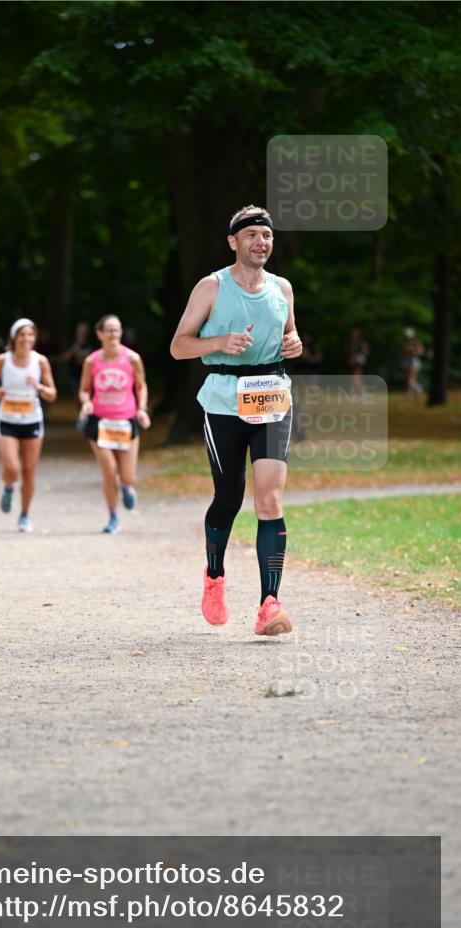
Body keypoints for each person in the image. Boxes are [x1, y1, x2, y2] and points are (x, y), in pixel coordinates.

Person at [170, 205, 302, 636]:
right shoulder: (212, 287)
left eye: (267, 235)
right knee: (228, 497)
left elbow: (289, 333)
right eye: (251, 235)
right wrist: (219, 342)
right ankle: (214, 576)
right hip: (224, 401)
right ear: (233, 242)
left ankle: (269, 604)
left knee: (270, 499)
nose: (260, 242)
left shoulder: (282, 288)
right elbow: (178, 346)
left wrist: (294, 343)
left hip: (271, 398)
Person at [78, 314, 151, 534]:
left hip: (126, 421)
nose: (113, 334)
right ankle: (113, 516)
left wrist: (141, 409)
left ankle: (127, 487)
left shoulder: (132, 358)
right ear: (99, 333)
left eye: (116, 330)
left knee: (127, 476)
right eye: (109, 330)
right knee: (109, 471)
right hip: (100, 423)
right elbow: (84, 389)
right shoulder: (92, 361)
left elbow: (141, 386)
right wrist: (86, 402)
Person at [0, 318, 57, 532]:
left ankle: (24, 515)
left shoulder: (40, 361)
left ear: (35, 338)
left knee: (29, 471)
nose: (26, 339)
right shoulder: (3, 360)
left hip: (32, 421)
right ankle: (8, 486)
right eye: (22, 335)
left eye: (30, 335)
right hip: (7, 420)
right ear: (14, 338)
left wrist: (38, 387)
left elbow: (52, 394)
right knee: (12, 468)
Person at [58, 321, 92, 392]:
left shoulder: (92, 343)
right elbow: (64, 359)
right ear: (76, 331)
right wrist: (74, 347)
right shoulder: (71, 342)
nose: (82, 333)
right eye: (80, 331)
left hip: (88, 376)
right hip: (74, 376)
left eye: (84, 331)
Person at [401, 326, 425, 395]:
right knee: (408, 377)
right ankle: (417, 388)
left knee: (411, 377)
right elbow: (401, 351)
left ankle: (410, 391)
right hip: (406, 360)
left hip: (414, 360)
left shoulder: (416, 342)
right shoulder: (404, 342)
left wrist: (413, 351)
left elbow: (421, 351)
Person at [346, 326, 370, 396]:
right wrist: (351, 359)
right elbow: (348, 353)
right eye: (354, 332)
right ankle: (360, 393)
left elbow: (366, 352)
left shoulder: (361, 342)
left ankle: (361, 394)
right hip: (353, 363)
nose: (355, 334)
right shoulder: (350, 342)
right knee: (355, 378)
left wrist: (358, 357)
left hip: (359, 362)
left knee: (357, 378)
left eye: (356, 332)